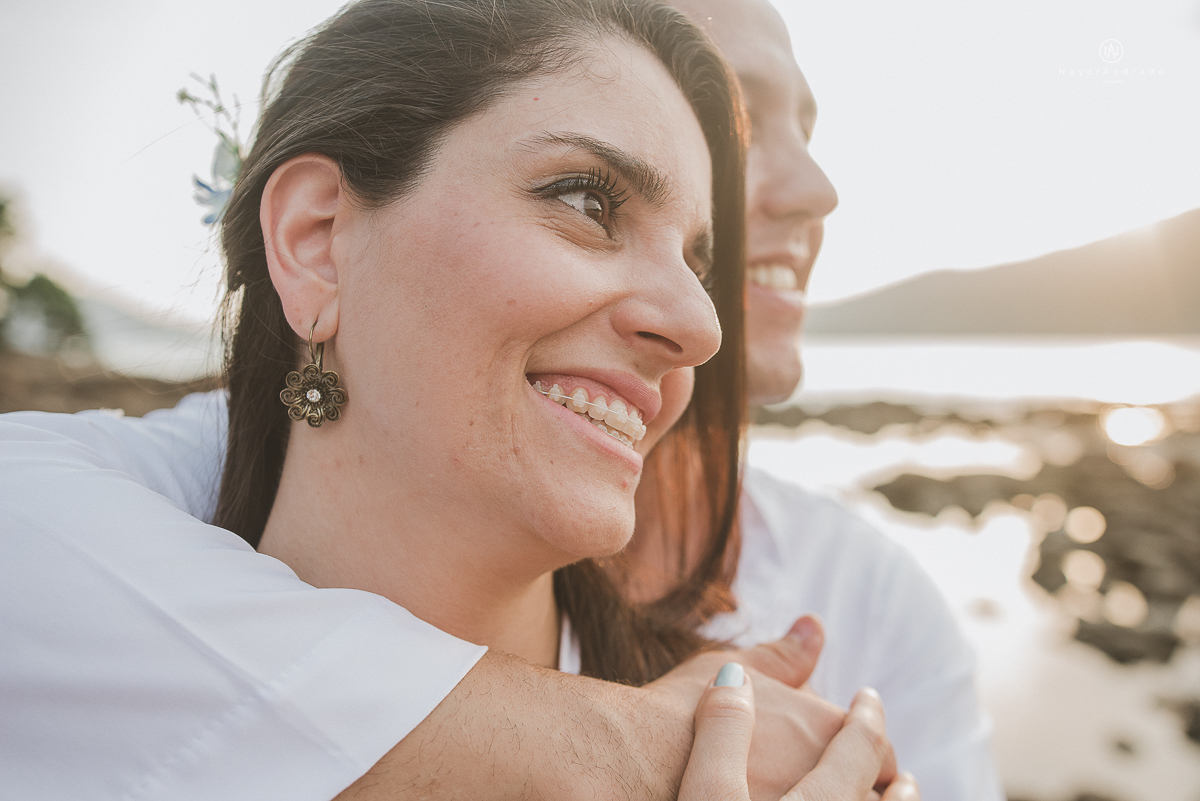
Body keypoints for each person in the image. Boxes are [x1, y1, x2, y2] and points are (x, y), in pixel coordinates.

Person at [0, 0, 996, 798]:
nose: (701, 326)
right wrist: (632, 753)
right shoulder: (72, 631)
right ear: (314, 240)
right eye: (586, 199)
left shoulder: (795, 750)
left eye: (696, 259)